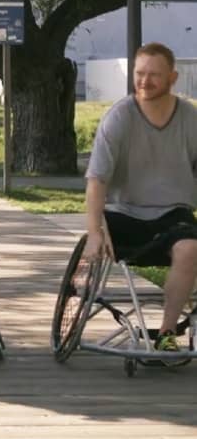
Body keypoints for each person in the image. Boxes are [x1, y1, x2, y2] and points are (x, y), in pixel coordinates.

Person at [83, 42, 197, 352]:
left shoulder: (190, 118)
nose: (144, 81)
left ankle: (166, 334)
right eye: (139, 73)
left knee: (190, 249)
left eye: (154, 75)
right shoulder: (119, 118)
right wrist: (94, 231)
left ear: (172, 78)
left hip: (173, 214)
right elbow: (97, 180)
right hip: (123, 213)